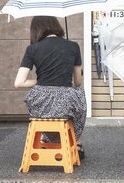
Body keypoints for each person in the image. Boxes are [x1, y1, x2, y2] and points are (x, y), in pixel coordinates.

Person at [14, 16, 87, 157]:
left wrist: (41, 81)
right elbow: (78, 82)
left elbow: (19, 83)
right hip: (65, 104)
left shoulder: (32, 49)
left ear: (36, 29)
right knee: (78, 94)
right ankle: (77, 143)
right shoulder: (73, 46)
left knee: (51, 110)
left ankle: (46, 139)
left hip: (40, 103)